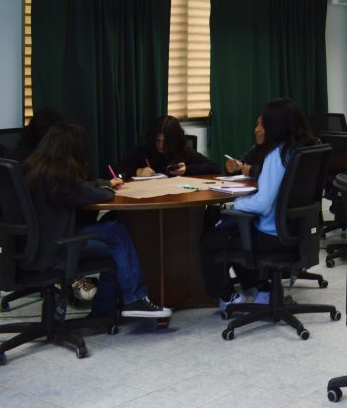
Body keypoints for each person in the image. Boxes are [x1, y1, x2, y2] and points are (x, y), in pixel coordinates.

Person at [24, 123, 171, 319]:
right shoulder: (60, 176)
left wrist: (103, 183)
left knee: (114, 235)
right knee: (117, 237)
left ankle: (104, 311)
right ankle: (133, 299)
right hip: (58, 248)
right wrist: (107, 189)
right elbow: (96, 195)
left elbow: (80, 188)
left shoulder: (34, 169)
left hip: (34, 247)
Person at [200, 98, 316, 309]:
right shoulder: (305, 150)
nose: (259, 129)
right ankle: (263, 290)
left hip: (273, 236)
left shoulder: (276, 156)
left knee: (212, 240)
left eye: (264, 124)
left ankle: (227, 298)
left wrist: (233, 205)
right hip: (298, 232)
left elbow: (262, 203)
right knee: (234, 230)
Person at [121, 115, 219, 178]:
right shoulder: (144, 149)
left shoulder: (183, 150)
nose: (160, 146)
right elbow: (115, 170)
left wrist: (187, 169)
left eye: (165, 142)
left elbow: (213, 167)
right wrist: (138, 171)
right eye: (158, 141)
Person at [225, 113, 267, 179]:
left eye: (263, 126)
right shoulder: (257, 148)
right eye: (257, 125)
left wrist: (251, 171)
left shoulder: (281, 151)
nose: (257, 130)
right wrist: (235, 166)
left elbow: (272, 173)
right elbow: (242, 161)